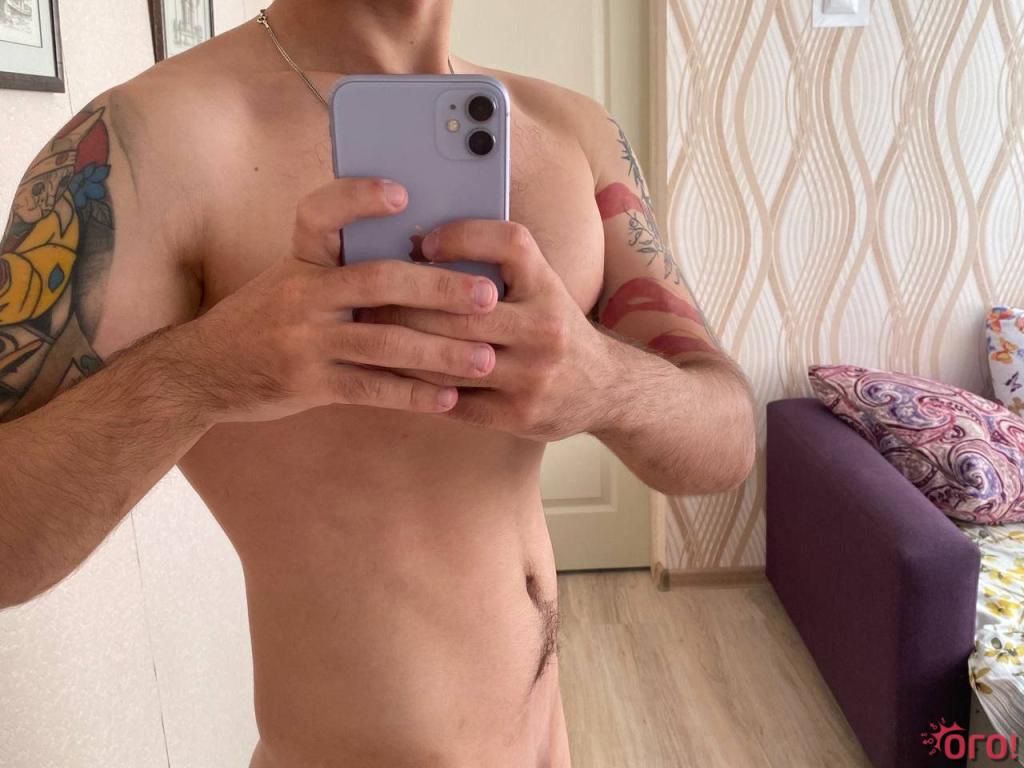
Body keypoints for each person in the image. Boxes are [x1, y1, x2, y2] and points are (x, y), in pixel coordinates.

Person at [0, 1, 756, 765]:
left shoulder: (574, 131)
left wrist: (606, 385)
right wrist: (205, 372)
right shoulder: (149, 145)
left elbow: (728, 441)